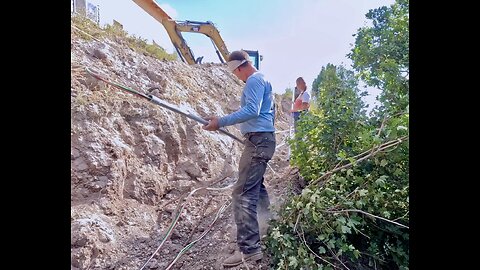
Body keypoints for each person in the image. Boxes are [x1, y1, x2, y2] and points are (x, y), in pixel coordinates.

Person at [202, 50, 276, 267]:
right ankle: (267, 226)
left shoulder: (253, 80)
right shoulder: (263, 79)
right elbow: (258, 111)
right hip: (263, 140)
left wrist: (221, 122)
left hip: (258, 141)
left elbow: (252, 110)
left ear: (241, 67)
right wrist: (220, 120)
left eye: (236, 73)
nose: (237, 77)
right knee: (256, 187)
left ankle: (249, 250)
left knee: (242, 193)